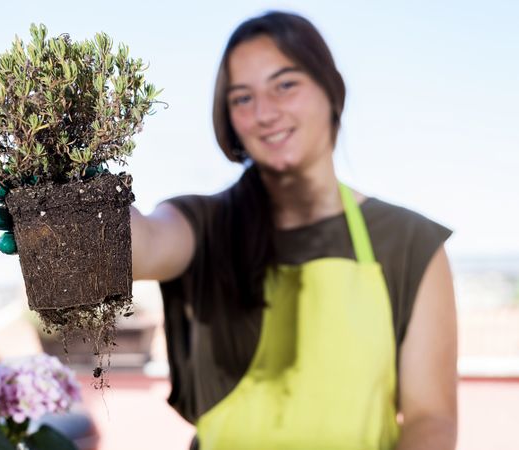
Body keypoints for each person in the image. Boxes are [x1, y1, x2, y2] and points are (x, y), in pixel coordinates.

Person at [130, 11, 458, 450]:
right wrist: (63, 196)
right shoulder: (204, 226)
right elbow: (140, 245)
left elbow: (430, 419)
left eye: (285, 85)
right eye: (242, 98)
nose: (265, 113)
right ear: (229, 121)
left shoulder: (409, 243)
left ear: (331, 90)